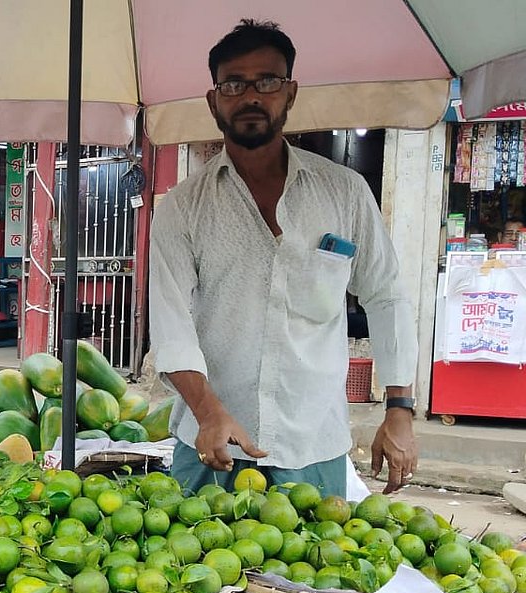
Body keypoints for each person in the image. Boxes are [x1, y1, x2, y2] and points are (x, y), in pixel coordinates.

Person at [148, 19, 419, 499]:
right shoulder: (183, 207)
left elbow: (387, 296)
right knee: (191, 568)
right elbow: (171, 326)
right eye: (233, 84)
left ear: (290, 93)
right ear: (214, 101)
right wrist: (208, 412)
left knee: (316, 567)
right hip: (211, 444)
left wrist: (398, 408)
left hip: (314, 445)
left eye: (267, 82)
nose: (250, 96)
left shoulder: (345, 193)